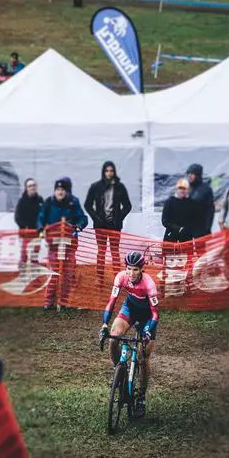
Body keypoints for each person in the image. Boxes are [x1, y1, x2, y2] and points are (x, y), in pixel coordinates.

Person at [98, 251, 160, 418]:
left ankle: (141, 398)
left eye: (135, 270)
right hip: (130, 309)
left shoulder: (149, 284)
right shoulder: (121, 277)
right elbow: (111, 301)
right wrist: (104, 323)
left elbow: (155, 314)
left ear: (141, 270)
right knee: (114, 337)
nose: (131, 274)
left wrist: (147, 331)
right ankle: (118, 372)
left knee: (143, 358)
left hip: (148, 317)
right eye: (128, 269)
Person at [37, 177, 88, 310]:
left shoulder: (73, 202)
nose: (60, 192)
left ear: (67, 191)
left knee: (67, 273)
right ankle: (48, 301)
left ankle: (64, 301)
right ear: (55, 191)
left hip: (69, 245)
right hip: (53, 245)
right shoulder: (48, 202)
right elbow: (41, 218)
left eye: (62, 190)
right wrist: (41, 229)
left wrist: (79, 226)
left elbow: (83, 218)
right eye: (57, 190)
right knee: (53, 273)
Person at [84, 161, 133, 288]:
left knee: (115, 252)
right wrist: (96, 218)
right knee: (101, 252)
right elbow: (87, 205)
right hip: (100, 225)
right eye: (107, 171)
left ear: (114, 172)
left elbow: (128, 206)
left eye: (111, 171)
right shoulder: (95, 186)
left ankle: (119, 279)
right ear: (103, 172)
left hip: (115, 226)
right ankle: (99, 278)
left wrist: (119, 218)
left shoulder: (119, 187)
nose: (109, 173)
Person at [184, 164, 215, 237]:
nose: (189, 176)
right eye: (188, 173)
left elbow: (210, 210)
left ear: (198, 175)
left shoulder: (205, 189)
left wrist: (207, 228)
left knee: (200, 248)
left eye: (192, 174)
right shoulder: (186, 188)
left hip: (201, 229)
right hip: (187, 229)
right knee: (187, 248)